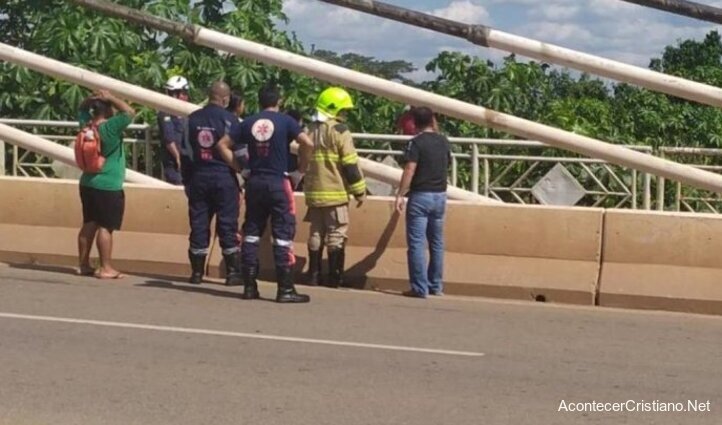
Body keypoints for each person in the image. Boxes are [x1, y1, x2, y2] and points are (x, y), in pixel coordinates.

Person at [218, 85, 315, 303]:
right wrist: (301, 169)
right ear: (279, 101)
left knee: (251, 233)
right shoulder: (286, 121)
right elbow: (308, 143)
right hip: (279, 182)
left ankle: (250, 287)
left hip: (255, 181)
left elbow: (222, 145)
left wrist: (241, 169)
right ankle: (285, 289)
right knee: (282, 235)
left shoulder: (248, 122)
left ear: (259, 101)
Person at [302, 87, 367, 287]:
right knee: (336, 234)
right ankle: (334, 277)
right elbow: (350, 164)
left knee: (316, 233)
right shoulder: (340, 131)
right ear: (335, 109)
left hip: (314, 192)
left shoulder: (309, 129)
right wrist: (359, 191)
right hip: (335, 192)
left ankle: (313, 275)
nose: (344, 114)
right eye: (343, 110)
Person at [186, 81, 242, 286]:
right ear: (225, 99)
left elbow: (186, 154)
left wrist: (188, 181)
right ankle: (233, 273)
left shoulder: (192, 119)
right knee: (228, 224)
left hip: (198, 176)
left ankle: (197, 273)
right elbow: (240, 152)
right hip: (224, 177)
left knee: (198, 223)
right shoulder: (231, 120)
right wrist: (243, 173)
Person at [76, 90, 136, 279]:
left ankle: (84, 264)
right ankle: (105, 267)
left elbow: (81, 108)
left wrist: (91, 99)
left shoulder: (86, 126)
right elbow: (129, 112)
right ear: (109, 110)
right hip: (108, 185)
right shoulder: (110, 127)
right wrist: (111, 98)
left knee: (89, 223)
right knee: (105, 227)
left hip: (87, 182)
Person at [394, 107, 450, 298]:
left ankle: (420, 287)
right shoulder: (444, 141)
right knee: (437, 242)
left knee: (417, 243)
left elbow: (410, 169)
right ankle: (436, 285)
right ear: (432, 120)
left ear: (415, 123)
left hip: (420, 196)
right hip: (440, 195)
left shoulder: (416, 143)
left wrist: (401, 194)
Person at [157, 76, 191, 186]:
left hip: (188, 160)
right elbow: (168, 137)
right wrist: (177, 157)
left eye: (185, 93)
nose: (184, 96)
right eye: (182, 93)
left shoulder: (187, 111)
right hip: (174, 163)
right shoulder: (165, 112)